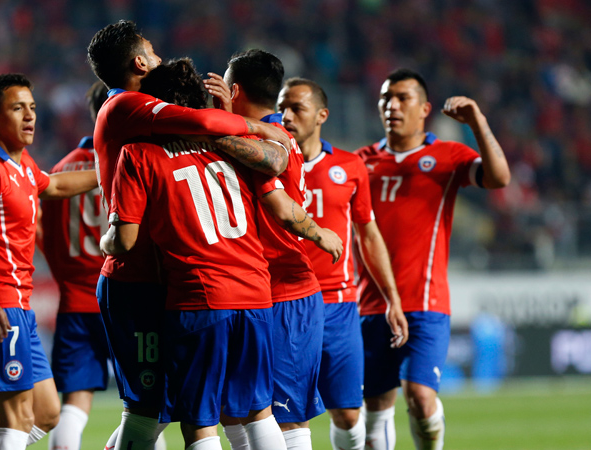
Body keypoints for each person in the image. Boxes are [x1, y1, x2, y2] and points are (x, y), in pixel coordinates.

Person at [103, 58, 340, 450]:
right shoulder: (239, 151)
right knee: (259, 413)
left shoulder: (139, 153)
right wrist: (318, 233)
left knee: (199, 422)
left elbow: (124, 241)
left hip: (200, 299)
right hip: (256, 294)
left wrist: (107, 241)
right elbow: (279, 189)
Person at [86, 21, 294, 450]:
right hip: (137, 280)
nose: (160, 56)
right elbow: (208, 121)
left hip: (180, 283)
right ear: (139, 62)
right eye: (153, 50)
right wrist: (258, 127)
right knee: (150, 409)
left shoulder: (158, 140)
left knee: (176, 409)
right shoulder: (125, 105)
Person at [355, 68, 510, 450]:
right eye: (385, 98)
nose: (392, 105)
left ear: (424, 108)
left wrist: (477, 122)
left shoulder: (447, 156)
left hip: (426, 303)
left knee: (421, 400)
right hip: (370, 304)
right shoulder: (361, 162)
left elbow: (499, 178)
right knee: (375, 408)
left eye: (402, 97)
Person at [0, 73, 98, 450]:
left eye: (32, 108)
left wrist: (112, 173)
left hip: (19, 306)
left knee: (46, 414)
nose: (30, 117)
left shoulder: (22, 164)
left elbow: (57, 186)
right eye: (17, 109)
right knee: (14, 420)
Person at [279, 77, 409, 450]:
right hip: (286, 302)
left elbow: (369, 234)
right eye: (282, 106)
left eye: (297, 108)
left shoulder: (349, 166)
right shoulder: (267, 162)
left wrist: (392, 299)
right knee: (291, 414)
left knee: (350, 415)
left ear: (321, 115)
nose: (286, 116)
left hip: (338, 303)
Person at [40, 81, 111, 450]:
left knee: (73, 405)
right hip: (126, 300)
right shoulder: (131, 161)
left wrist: (67, 278)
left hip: (76, 303)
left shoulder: (62, 169)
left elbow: (44, 237)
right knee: (144, 406)